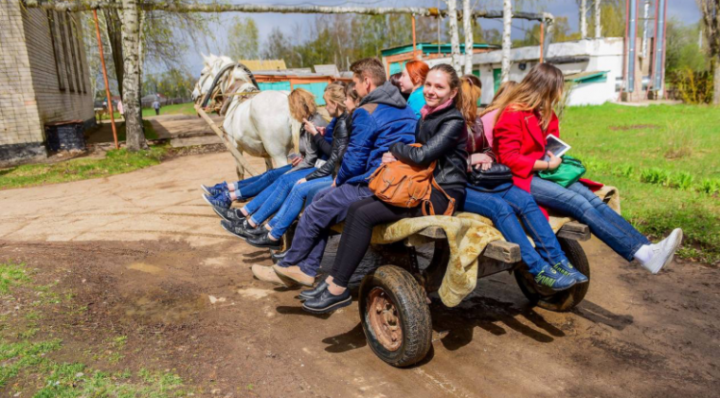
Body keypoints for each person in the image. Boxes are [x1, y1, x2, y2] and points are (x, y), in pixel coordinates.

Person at [301, 64, 468, 314]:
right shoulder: (427, 114)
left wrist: (397, 150)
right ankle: (333, 282)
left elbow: (423, 154)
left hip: (441, 193)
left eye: (439, 86)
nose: (431, 91)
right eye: (429, 85)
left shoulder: (453, 121)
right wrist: (402, 156)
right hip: (419, 183)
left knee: (363, 213)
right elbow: (417, 154)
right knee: (358, 208)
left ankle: (337, 287)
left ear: (453, 92)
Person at [493, 63, 683, 275]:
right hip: (521, 179)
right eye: (559, 87)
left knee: (593, 200)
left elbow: (549, 141)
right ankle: (643, 255)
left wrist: (553, 149)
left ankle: (647, 249)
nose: (560, 92)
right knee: (578, 203)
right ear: (546, 87)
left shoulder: (542, 113)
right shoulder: (512, 113)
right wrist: (547, 164)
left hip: (543, 172)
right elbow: (509, 159)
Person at [251, 58, 416, 287]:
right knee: (320, 199)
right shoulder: (405, 108)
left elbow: (355, 159)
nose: (355, 88)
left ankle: (292, 265)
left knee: (315, 208)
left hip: (372, 183)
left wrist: (339, 181)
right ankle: (303, 268)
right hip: (399, 181)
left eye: (356, 83)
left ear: (367, 81)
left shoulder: (367, 111)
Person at [461, 75, 580, 291]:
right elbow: (438, 161)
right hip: (458, 185)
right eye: (472, 99)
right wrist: (469, 160)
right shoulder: (440, 122)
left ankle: (558, 259)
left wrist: (486, 156)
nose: (475, 104)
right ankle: (538, 268)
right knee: (499, 207)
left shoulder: (475, 121)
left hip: (479, 179)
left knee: (524, 199)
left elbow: (486, 147)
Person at [246, 83, 352, 250]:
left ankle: (264, 227)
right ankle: (263, 226)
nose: (324, 106)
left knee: (293, 185)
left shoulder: (335, 122)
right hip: (328, 169)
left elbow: (332, 156)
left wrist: (316, 136)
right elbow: (333, 150)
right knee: (277, 177)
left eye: (326, 102)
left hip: (329, 171)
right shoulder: (335, 121)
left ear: (335, 104)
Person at [219, 89, 329, 238]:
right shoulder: (307, 122)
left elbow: (315, 156)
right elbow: (308, 152)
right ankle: (245, 213)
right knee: (273, 174)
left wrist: (295, 167)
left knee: (283, 179)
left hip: (318, 167)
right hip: (312, 164)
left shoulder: (314, 123)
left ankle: (250, 219)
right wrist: (297, 156)